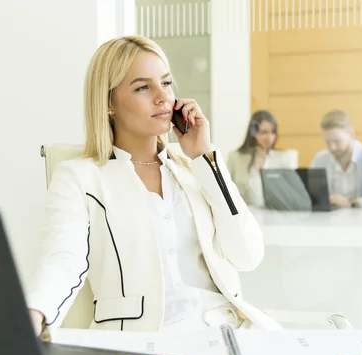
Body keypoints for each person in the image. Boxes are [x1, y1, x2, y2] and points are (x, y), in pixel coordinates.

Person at [26, 35, 281, 339]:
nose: (163, 97)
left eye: (167, 83)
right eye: (143, 87)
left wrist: (205, 156)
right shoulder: (79, 177)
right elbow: (64, 258)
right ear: (109, 103)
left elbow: (247, 255)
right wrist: (35, 312)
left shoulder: (193, 168)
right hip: (140, 340)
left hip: (225, 331)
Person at [227, 110, 298, 207]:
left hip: (274, 216)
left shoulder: (284, 158)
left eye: (272, 132)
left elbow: (291, 194)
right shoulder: (235, 158)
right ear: (253, 133)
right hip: (245, 215)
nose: (269, 138)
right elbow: (227, 191)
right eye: (264, 132)